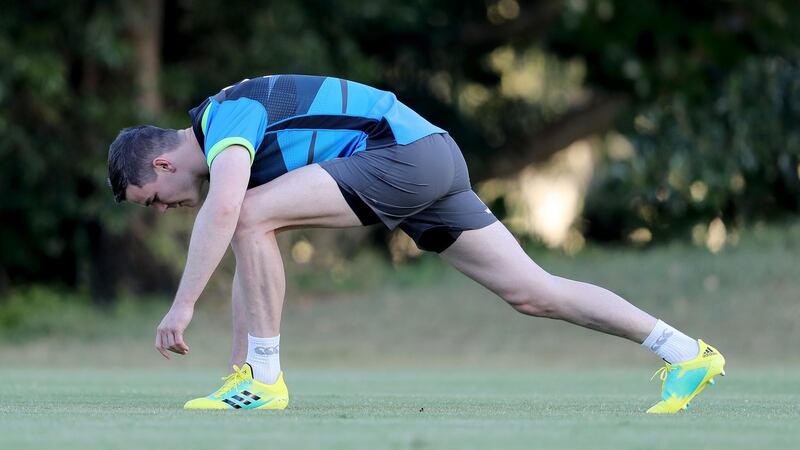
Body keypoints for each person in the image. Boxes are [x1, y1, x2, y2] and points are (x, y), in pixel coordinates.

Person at [107, 74, 725, 413]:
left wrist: (182, 305)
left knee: (243, 215)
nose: (165, 210)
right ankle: (688, 353)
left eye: (155, 200)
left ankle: (263, 381)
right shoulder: (226, 143)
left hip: (406, 155)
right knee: (532, 291)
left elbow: (226, 212)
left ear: (161, 166)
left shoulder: (226, 114)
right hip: (430, 158)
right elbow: (241, 235)